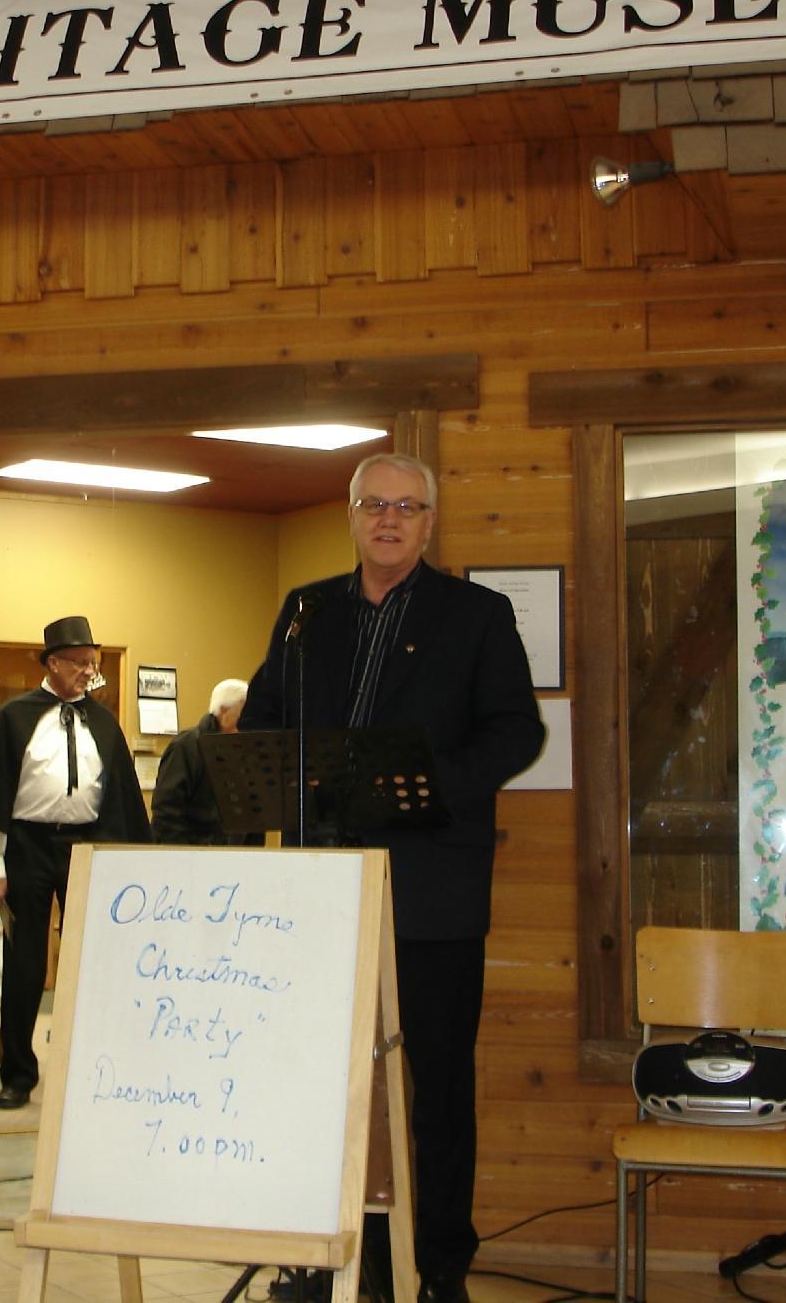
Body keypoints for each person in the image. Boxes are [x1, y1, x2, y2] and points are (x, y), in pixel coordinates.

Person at [241, 453, 544, 1303]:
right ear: (352, 514)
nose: (390, 519)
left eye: (408, 507)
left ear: (429, 522)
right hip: (320, 894)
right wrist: (285, 773)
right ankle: (324, 1259)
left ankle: (436, 1265)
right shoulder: (306, 612)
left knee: (436, 1087)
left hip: (433, 889)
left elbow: (516, 734)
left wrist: (419, 784)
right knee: (323, 1085)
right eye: (375, 504)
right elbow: (265, 719)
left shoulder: (476, 616)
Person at [0, 615, 151, 1108]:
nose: (89, 671)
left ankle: (86, 1064)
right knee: (25, 962)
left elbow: (123, 798)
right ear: (52, 663)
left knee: (91, 959)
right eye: (79, 662)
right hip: (27, 844)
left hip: (87, 845)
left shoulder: (104, 721)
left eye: (93, 662)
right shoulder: (15, 718)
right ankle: (18, 1075)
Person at [150, 677, 248, 844]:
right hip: (189, 856)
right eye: (244, 712)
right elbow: (166, 810)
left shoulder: (243, 751)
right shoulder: (186, 746)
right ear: (224, 711)